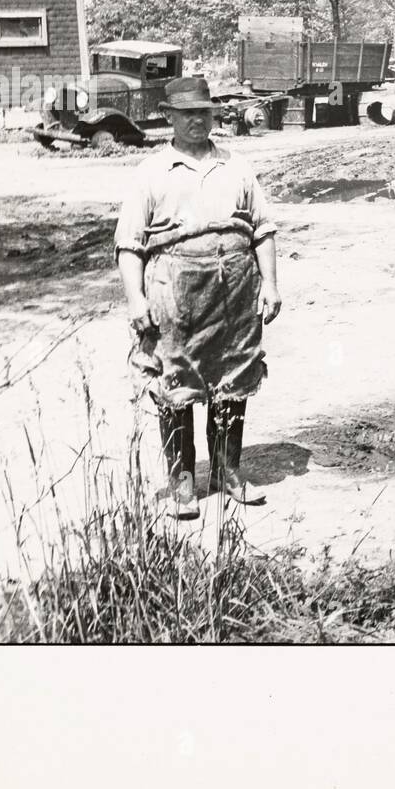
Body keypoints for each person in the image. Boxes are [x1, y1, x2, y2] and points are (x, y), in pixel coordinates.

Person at [114, 75, 282, 519]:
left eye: (203, 113)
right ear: (169, 117)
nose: (197, 121)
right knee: (176, 379)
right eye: (187, 114)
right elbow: (129, 245)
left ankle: (227, 473)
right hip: (175, 292)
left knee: (235, 376)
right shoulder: (150, 173)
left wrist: (270, 283)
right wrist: (136, 300)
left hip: (235, 291)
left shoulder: (236, 166)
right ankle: (183, 482)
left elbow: (262, 230)